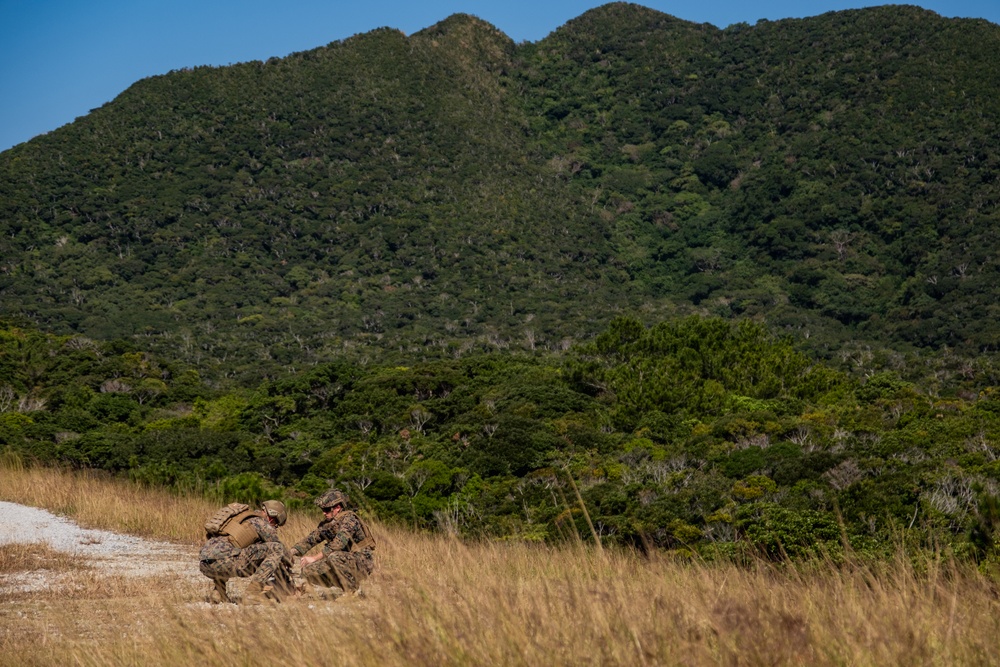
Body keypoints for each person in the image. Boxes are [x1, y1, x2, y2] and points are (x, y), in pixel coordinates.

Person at [198, 499, 294, 604]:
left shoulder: (240, 519)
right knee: (276, 548)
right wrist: (290, 560)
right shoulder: (261, 522)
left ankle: (219, 592)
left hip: (204, 565)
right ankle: (252, 594)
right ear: (273, 518)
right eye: (276, 524)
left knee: (230, 551)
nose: (275, 527)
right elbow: (281, 550)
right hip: (226, 562)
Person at [290, 488, 376, 597]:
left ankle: (352, 591)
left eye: (326, 510)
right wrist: (290, 553)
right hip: (343, 561)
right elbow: (310, 540)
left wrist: (314, 558)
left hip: (361, 562)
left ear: (337, 508)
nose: (324, 513)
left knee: (334, 557)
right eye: (322, 509)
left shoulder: (349, 520)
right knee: (308, 571)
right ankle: (312, 590)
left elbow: (338, 544)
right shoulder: (328, 524)